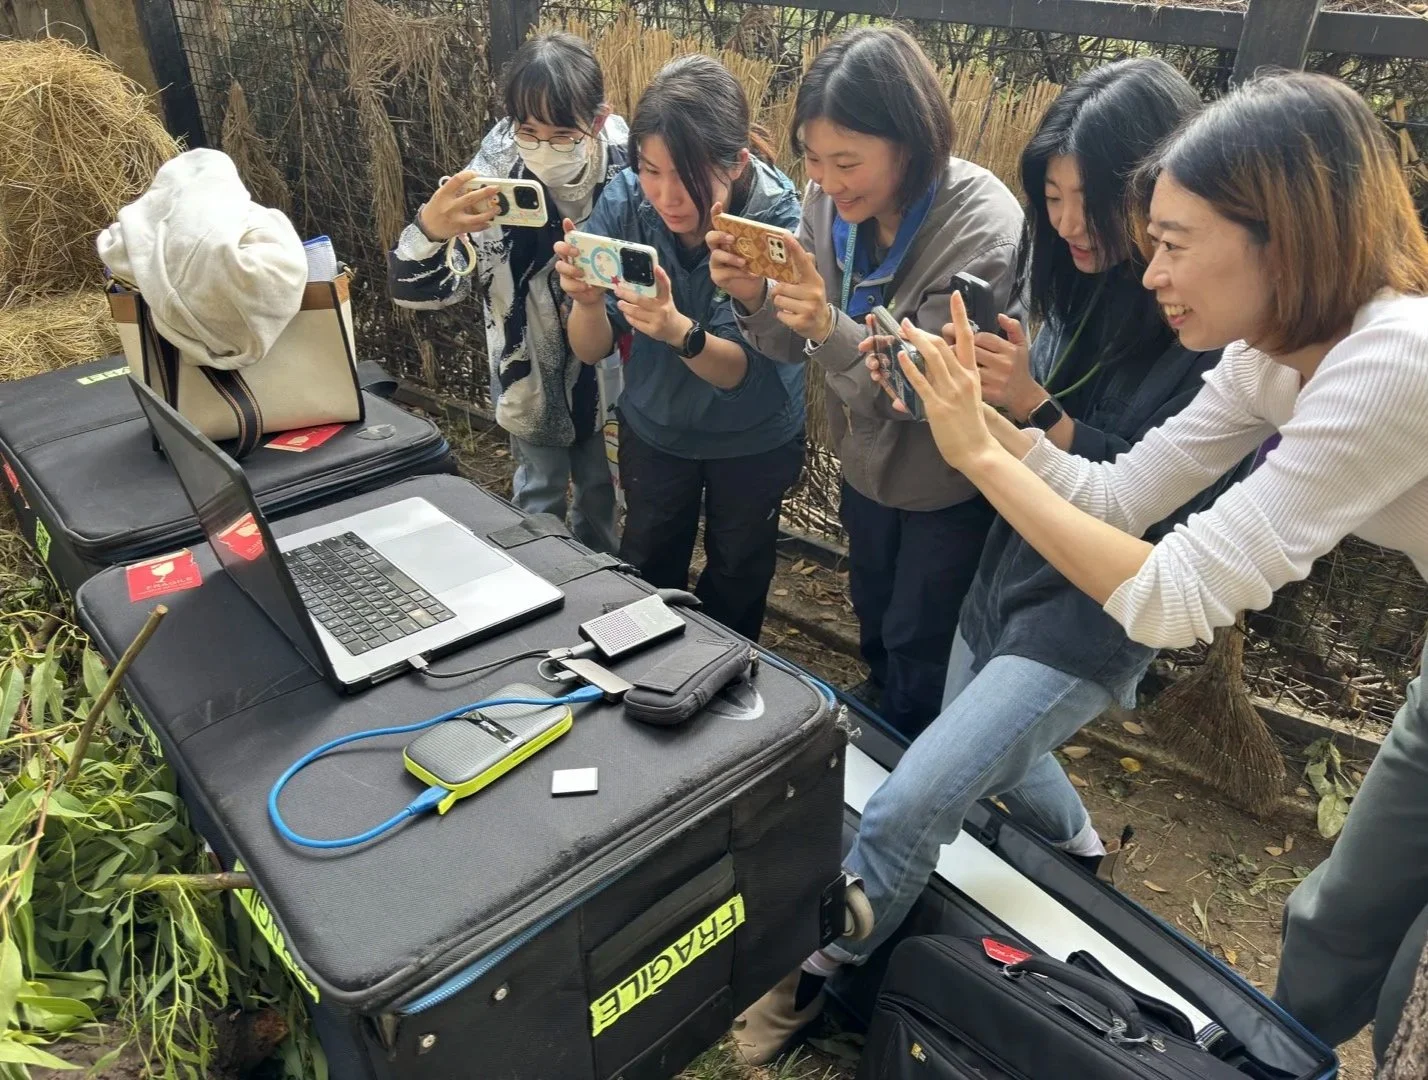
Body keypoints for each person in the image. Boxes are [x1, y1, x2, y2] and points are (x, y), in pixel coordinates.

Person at [890, 71, 1428, 1070]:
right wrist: (988, 423)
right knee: (1330, 923)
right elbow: (1115, 496)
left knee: (1412, 989)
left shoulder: (1393, 358)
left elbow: (1171, 598)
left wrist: (975, 453)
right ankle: (1265, 1063)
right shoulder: (1269, 350)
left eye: (1175, 244)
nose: (1150, 271)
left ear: (1285, 235)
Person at [731, 57, 1247, 1065]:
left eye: (1090, 202)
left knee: (919, 794)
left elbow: (1159, 502)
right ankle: (1080, 852)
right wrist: (946, 381)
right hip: (1007, 567)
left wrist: (1033, 408)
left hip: (1094, 608)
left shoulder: (1208, 326)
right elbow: (1014, 426)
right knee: (995, 743)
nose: (1069, 225)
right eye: (1052, 197)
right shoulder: (1070, 277)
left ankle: (809, 981)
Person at [709, 27, 1023, 739]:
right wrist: (757, 297)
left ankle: (916, 749)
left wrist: (826, 323)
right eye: (814, 160)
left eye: (847, 161)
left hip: (948, 478)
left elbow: (921, 393)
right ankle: (886, 712)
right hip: (866, 465)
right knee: (874, 605)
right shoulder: (826, 206)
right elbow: (792, 345)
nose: (825, 181)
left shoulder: (982, 229)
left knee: (925, 631)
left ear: (910, 143)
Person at [554, 54, 804, 641]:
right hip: (657, 428)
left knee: (738, 578)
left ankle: (726, 691)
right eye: (650, 169)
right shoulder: (624, 202)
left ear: (736, 163)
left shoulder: (775, 224)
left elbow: (742, 373)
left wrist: (675, 330)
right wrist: (587, 303)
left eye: (685, 174)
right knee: (645, 569)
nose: (666, 195)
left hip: (754, 435)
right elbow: (590, 352)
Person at [389, 32, 625, 554]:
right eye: (528, 131)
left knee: (603, 490)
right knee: (538, 490)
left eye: (563, 134)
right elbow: (421, 291)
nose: (543, 148)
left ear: (599, 121)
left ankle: (608, 592)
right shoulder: (493, 174)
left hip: (611, 361)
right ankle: (540, 584)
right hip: (528, 359)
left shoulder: (629, 167)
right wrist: (430, 230)